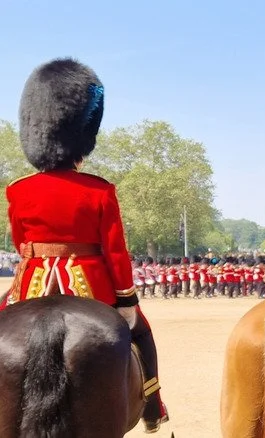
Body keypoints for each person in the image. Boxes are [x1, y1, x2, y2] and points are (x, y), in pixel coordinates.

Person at [0, 58, 168, 433]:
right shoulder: (99, 190)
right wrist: (127, 299)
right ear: (81, 137)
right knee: (142, 333)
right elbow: (115, 251)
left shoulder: (18, 189)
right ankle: (154, 404)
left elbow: (21, 242)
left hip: (32, 282)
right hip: (92, 283)